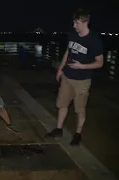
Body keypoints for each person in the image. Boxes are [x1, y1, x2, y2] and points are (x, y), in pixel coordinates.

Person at [45, 8, 104, 146]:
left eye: (77, 23)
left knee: (80, 108)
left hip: (82, 81)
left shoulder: (94, 40)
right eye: (74, 23)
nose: (74, 26)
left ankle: (78, 134)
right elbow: (68, 51)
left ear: (85, 22)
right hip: (67, 77)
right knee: (62, 104)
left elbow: (100, 63)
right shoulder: (72, 35)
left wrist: (82, 66)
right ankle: (58, 129)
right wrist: (60, 69)